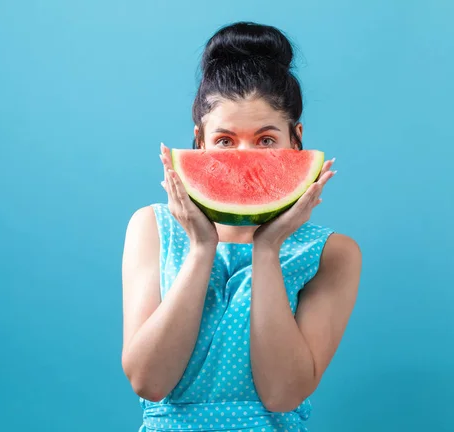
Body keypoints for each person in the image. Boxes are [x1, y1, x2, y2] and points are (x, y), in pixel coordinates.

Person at [121, 21, 362, 432]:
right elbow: (148, 382)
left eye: (266, 140)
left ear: (296, 140)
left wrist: (267, 251)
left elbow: (283, 394)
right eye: (225, 141)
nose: (244, 157)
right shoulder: (153, 227)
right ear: (199, 142)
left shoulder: (333, 254)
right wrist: (201, 248)